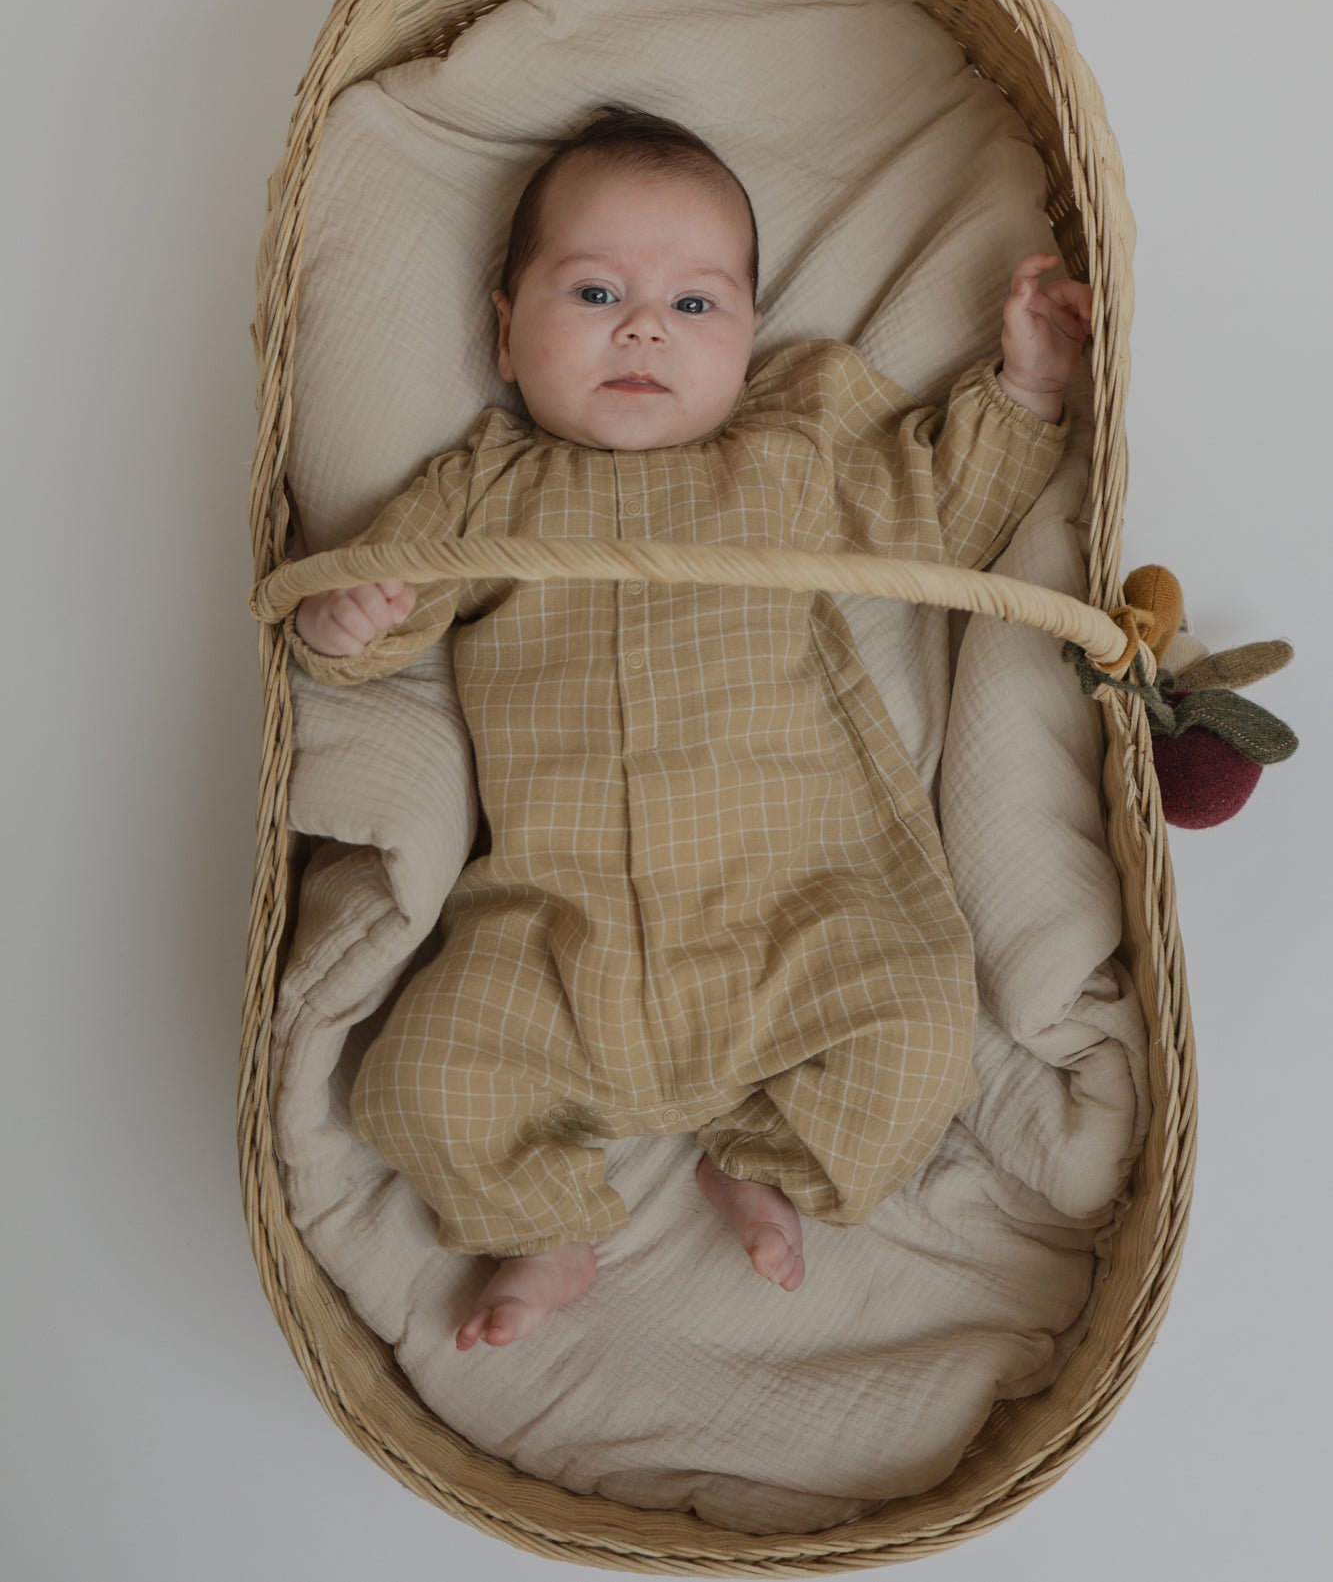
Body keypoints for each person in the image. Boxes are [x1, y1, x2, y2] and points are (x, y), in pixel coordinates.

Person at [267, 103, 1091, 1355]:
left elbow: (937, 513)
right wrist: (349, 620)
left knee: (922, 1043)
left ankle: (758, 1162)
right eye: (594, 291)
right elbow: (386, 608)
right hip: (553, 926)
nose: (644, 327)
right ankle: (545, 1222)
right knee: (416, 1083)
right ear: (505, 329)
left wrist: (1027, 387)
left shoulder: (791, 447)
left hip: (797, 906)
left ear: (751, 336)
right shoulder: (486, 485)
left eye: (695, 306)